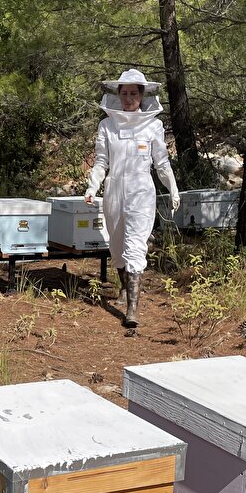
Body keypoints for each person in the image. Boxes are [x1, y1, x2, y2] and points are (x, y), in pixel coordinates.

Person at [85, 69, 180, 329]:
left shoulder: (153, 125)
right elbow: (101, 161)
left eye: (133, 93)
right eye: (124, 93)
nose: (129, 98)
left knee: (135, 246)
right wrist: (93, 187)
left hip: (142, 192)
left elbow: (161, 162)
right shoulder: (107, 125)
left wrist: (172, 188)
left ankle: (132, 310)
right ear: (118, 95)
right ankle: (125, 288)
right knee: (117, 246)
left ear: (142, 95)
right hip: (114, 190)